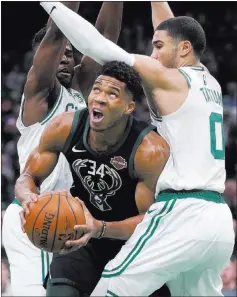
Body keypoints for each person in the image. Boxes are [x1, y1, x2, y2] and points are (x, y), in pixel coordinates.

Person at [41, 2, 235, 296]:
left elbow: (96, 45)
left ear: (183, 49)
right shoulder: (209, 81)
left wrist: (49, 4)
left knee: (110, 288)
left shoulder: (168, 78)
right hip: (218, 222)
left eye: (158, 47)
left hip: (182, 211)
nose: (153, 54)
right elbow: (173, 27)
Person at [16, 61, 170, 297]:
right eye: (96, 89)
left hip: (132, 242)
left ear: (128, 107)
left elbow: (150, 222)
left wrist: (100, 228)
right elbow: (28, 176)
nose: (99, 98)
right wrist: (28, 197)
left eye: (111, 94)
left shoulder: (148, 150)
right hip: (79, 235)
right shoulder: (65, 127)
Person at [2, 2, 123, 296]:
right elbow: (56, 33)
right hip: (36, 210)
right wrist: (61, 17)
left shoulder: (81, 93)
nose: (67, 59)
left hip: (68, 216)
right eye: (61, 54)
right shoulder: (39, 93)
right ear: (44, 56)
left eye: (72, 54)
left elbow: (103, 40)